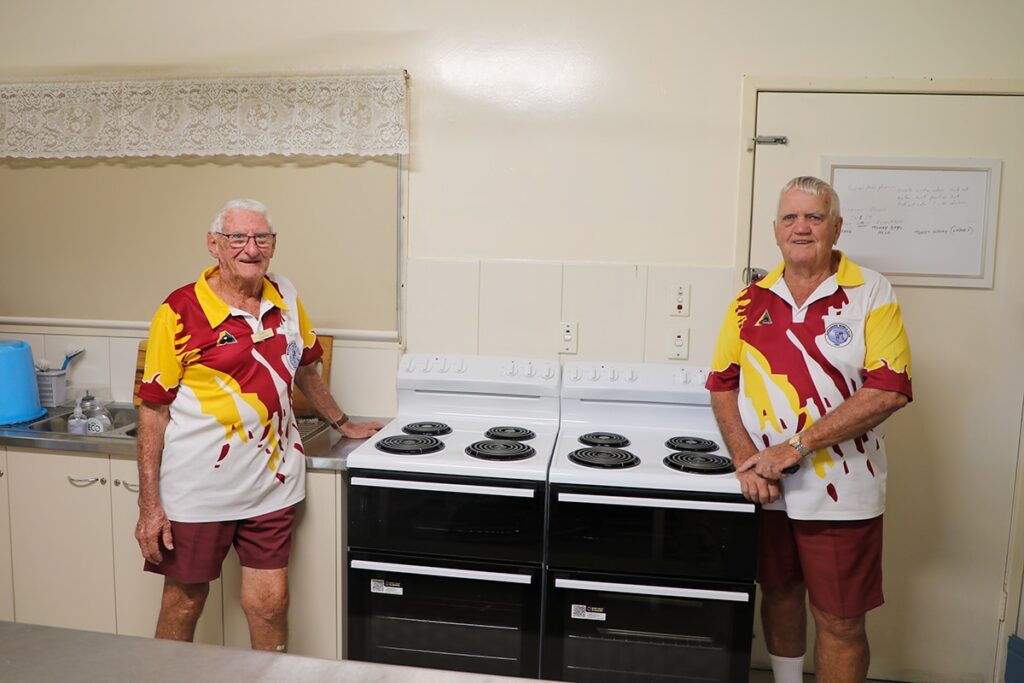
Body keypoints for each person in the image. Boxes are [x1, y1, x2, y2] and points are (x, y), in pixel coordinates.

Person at [134, 198, 382, 652]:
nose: (252, 248)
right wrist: (150, 506)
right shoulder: (180, 311)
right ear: (214, 245)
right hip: (198, 487)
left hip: (273, 481)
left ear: (273, 244)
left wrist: (342, 422)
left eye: (262, 238)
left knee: (270, 603)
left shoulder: (283, 293)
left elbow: (306, 366)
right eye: (238, 238)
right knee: (184, 603)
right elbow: (152, 410)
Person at [705, 177, 912, 683]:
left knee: (839, 620)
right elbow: (721, 385)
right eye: (790, 218)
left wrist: (794, 447)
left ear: (836, 227)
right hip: (768, 486)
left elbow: (889, 390)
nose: (801, 228)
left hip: (843, 489)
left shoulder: (870, 292)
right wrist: (746, 460)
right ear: (776, 230)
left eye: (814, 217)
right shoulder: (749, 300)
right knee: (777, 593)